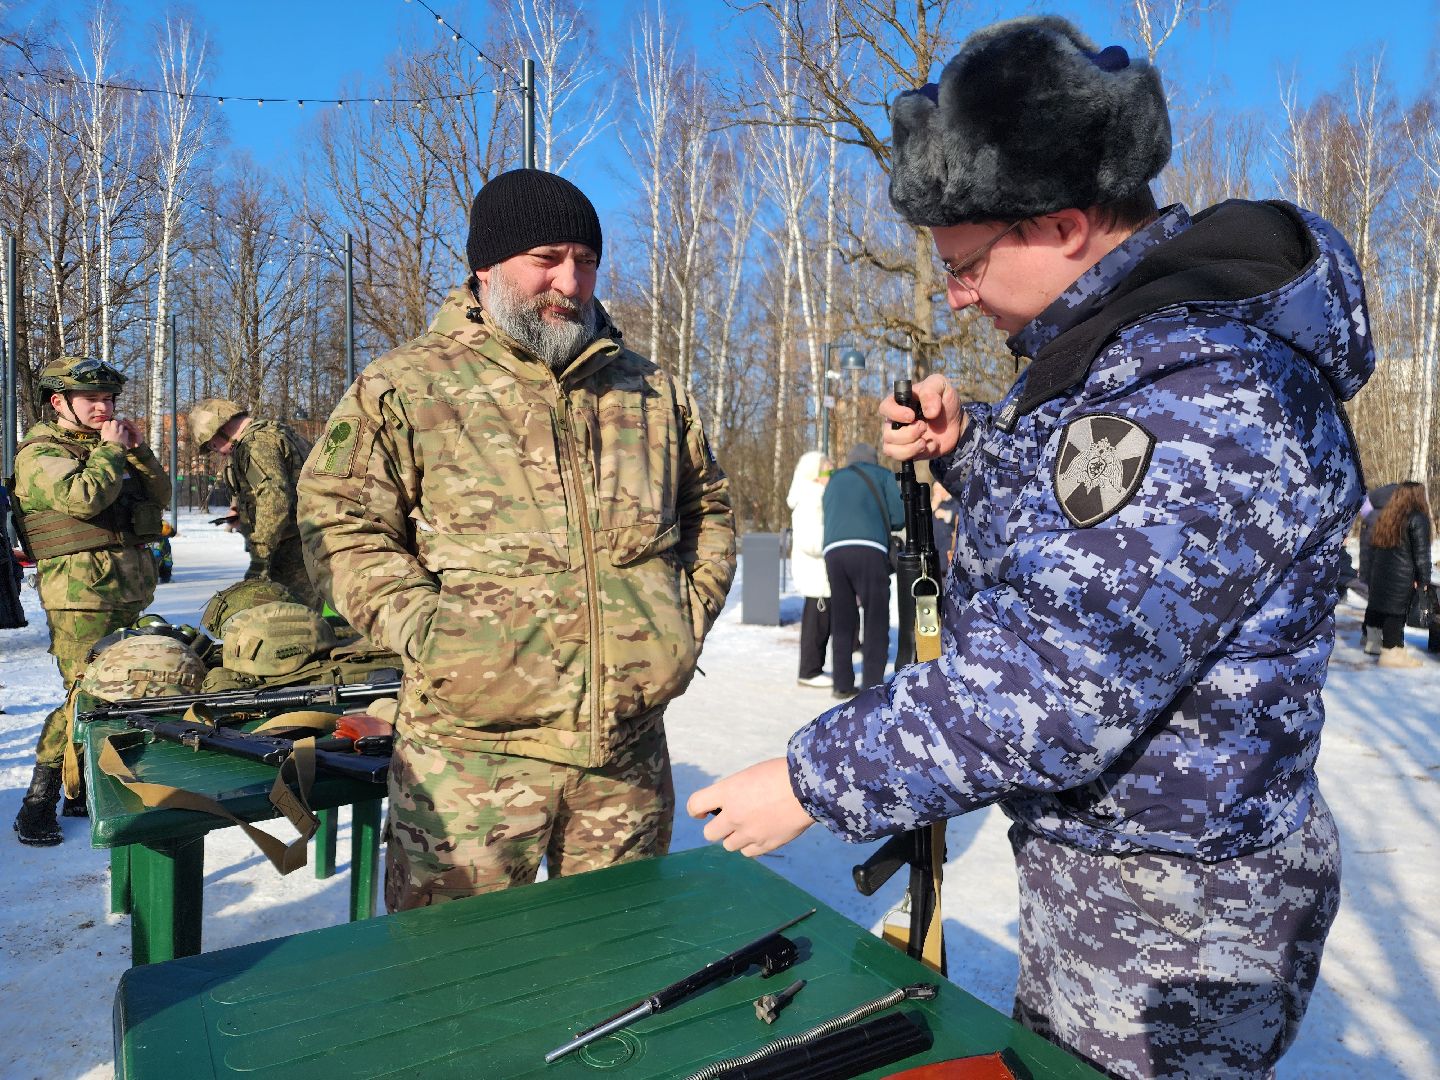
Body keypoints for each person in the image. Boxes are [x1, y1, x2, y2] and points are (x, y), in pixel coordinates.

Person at [688, 17, 1371, 1080]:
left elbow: (1056, 683)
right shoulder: (1133, 354)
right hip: (1123, 886)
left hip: (1178, 920)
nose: (952, 294)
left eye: (962, 266)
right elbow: (1097, 549)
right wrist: (969, 456)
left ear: (1057, 226)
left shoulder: (1199, 390)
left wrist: (815, 779)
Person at [297, 168, 736, 911]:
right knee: (453, 987)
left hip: (624, 763)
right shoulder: (408, 386)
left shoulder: (654, 393)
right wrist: (437, 635)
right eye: (547, 257)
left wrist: (679, 620)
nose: (571, 279)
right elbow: (337, 520)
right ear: (487, 265)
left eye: (587, 260)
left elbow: (711, 510)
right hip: (470, 769)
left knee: (616, 969)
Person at [11, 356, 170, 845]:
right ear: (60, 403)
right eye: (92, 400)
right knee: (83, 694)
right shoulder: (38, 454)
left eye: (108, 399)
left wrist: (138, 454)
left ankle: (84, 789)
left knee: (123, 687)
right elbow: (82, 499)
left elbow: (160, 494)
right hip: (80, 595)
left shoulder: (110, 446)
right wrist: (110, 453)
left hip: (125, 588)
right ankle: (37, 803)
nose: (103, 408)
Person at [188, 398, 319, 609]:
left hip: (292, 547)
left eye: (212, 445)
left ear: (219, 429)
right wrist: (239, 509)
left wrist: (260, 553)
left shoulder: (256, 444)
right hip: (307, 540)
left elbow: (274, 496)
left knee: (292, 622)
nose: (218, 452)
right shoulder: (278, 432)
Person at [822, 443, 903, 699]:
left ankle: (842, 683)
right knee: (876, 616)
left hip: (834, 551)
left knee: (843, 617)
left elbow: (827, 512)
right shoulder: (882, 475)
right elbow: (899, 516)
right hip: (870, 548)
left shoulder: (834, 480)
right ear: (873, 460)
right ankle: (872, 685)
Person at [1362, 481, 1433, 668]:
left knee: (1381, 608)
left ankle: (1374, 643)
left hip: (1381, 571)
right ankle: (1391, 652)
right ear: (1417, 496)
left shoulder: (1388, 515)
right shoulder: (1418, 518)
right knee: (1395, 614)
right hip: (1401, 576)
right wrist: (1424, 580)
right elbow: (1422, 554)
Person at [787, 451, 833, 689]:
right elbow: (810, 540)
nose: (831, 474)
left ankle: (815, 667)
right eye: (827, 470)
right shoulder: (810, 498)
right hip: (816, 573)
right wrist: (834, 540)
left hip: (821, 572)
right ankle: (809, 670)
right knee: (816, 624)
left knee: (822, 623)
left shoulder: (818, 496)